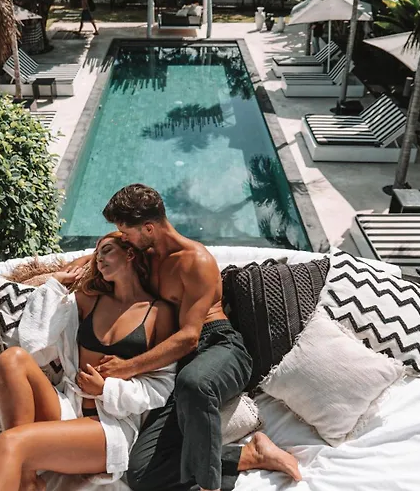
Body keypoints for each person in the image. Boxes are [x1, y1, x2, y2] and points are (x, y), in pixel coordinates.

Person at [67, 184, 302, 491]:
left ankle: (209, 486)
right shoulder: (144, 254)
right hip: (177, 366)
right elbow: (110, 252)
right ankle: (250, 454)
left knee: (194, 383)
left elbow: (190, 337)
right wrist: (81, 262)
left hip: (218, 348)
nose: (124, 238)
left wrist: (125, 369)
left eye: (127, 232)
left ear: (148, 228)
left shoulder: (196, 261)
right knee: (141, 473)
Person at [0, 232, 176, 491]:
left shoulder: (159, 313)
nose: (99, 258)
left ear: (130, 254)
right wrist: (55, 285)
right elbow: (34, 344)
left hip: (107, 427)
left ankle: (26, 474)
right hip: (68, 407)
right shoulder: (88, 300)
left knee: (10, 441)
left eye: (107, 250)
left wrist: (106, 389)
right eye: (97, 254)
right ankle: (27, 480)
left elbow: (162, 385)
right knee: (11, 358)